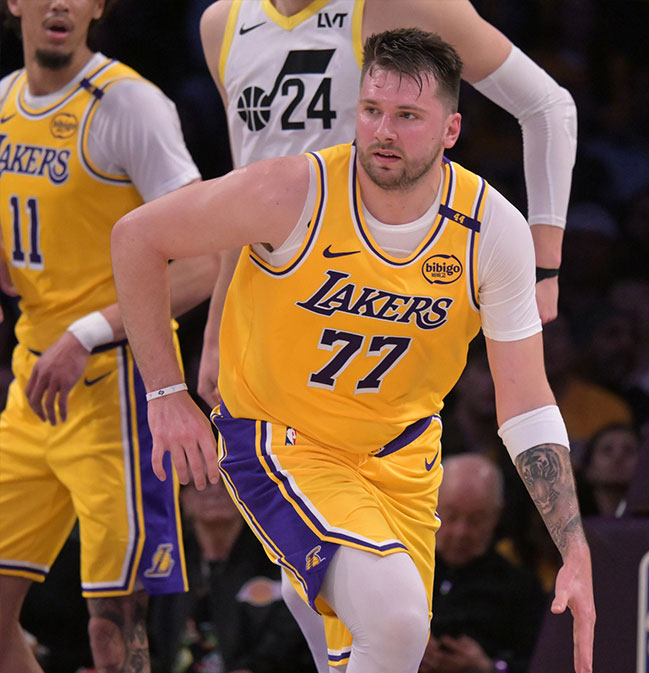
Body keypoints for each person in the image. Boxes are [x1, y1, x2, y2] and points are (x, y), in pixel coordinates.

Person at [109, 28, 594, 673]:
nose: (384, 131)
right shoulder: (291, 192)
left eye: (407, 116)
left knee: (380, 648)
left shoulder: (492, 229)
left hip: (401, 456)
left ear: (451, 130)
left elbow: (526, 400)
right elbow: (137, 237)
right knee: (395, 625)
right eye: (372, 111)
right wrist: (165, 394)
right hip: (280, 437)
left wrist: (575, 547)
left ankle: (309, 585)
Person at [195, 0, 576, 406]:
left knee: (384, 451)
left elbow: (547, 107)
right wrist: (216, 326)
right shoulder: (221, 23)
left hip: (374, 289)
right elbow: (246, 187)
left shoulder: (397, 5)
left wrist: (544, 266)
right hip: (268, 297)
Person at [0, 0, 217, 671]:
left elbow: (205, 260)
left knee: (113, 633)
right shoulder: (3, 101)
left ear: (98, 7)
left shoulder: (130, 107)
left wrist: (87, 332)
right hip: (32, 382)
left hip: (115, 390)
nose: (60, 3)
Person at [149, 484, 317, 673]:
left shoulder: (281, 560)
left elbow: (296, 634)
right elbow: (151, 640)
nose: (214, 491)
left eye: (224, 481)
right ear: (182, 497)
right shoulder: (164, 565)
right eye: (199, 482)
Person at [423, 454, 547, 673]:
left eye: (476, 520)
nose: (461, 532)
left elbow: (541, 663)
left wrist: (489, 667)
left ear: (496, 516)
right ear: (432, 506)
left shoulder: (521, 589)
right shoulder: (403, 572)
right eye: (451, 516)